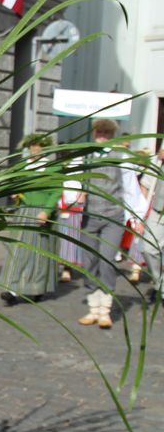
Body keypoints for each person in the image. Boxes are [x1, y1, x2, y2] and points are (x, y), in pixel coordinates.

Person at [75, 118, 148, 329]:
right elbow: (76, 180)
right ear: (94, 133)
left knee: (106, 260)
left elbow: (130, 187)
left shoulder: (121, 157)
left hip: (112, 217)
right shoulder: (87, 155)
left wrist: (136, 217)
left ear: (112, 135)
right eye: (99, 132)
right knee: (89, 262)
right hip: (90, 216)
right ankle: (93, 308)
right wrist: (77, 195)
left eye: (106, 133)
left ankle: (105, 310)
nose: (102, 136)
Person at [0, 133, 59, 305]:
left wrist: (46, 211)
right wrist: (15, 193)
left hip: (41, 214)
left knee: (39, 253)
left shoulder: (52, 168)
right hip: (24, 212)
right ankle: (11, 289)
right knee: (18, 250)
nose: (35, 149)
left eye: (39, 146)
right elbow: (13, 182)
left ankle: (37, 287)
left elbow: (56, 191)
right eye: (33, 146)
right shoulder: (23, 166)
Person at [138, 146, 164, 300]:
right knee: (148, 249)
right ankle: (160, 284)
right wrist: (140, 214)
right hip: (157, 211)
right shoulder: (158, 159)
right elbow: (145, 185)